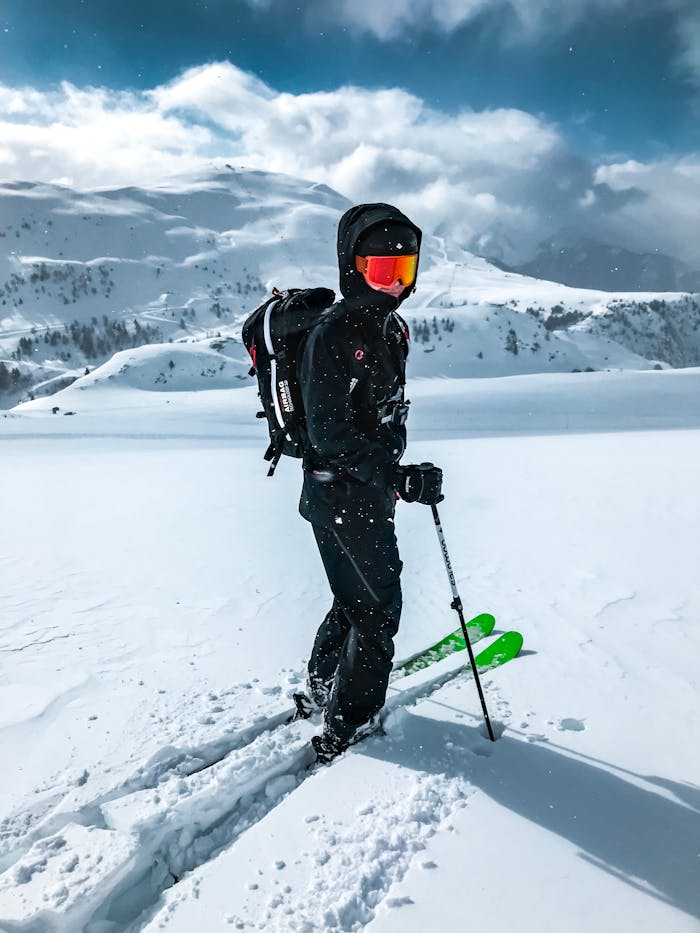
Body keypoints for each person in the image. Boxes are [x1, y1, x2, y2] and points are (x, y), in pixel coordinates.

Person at [295, 202, 444, 763]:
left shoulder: (386, 329)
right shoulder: (335, 334)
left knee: (353, 598)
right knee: (379, 609)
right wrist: (398, 477)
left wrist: (392, 473)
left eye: (402, 273)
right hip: (346, 494)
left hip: (340, 494)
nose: (392, 285)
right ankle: (349, 722)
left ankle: (322, 687)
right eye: (380, 270)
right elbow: (332, 432)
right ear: (352, 267)